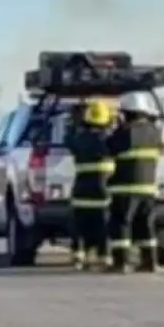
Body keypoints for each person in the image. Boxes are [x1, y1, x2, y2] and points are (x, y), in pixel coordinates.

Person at [106, 91, 163, 273]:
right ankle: (149, 262)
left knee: (122, 223)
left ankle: (120, 262)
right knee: (145, 224)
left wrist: (111, 128)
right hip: (148, 189)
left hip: (125, 188)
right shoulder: (155, 132)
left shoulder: (125, 132)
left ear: (127, 113)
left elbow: (109, 147)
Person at [64, 99, 115, 270]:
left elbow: (67, 139)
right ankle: (105, 256)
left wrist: (72, 123)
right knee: (104, 225)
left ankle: (79, 256)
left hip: (81, 190)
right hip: (103, 190)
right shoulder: (110, 140)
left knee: (79, 224)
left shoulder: (79, 138)